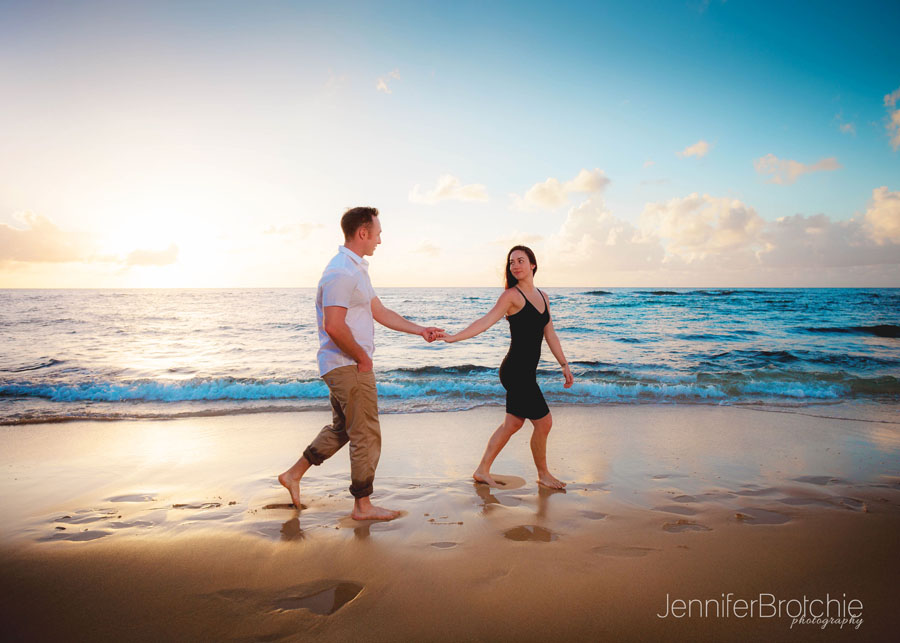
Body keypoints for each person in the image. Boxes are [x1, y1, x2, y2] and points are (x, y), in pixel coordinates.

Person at [278, 206, 444, 521]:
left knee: (344, 429)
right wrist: (362, 358)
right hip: (348, 365)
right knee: (365, 433)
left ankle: (293, 474)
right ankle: (362, 506)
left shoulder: (356, 270)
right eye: (378, 233)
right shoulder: (342, 271)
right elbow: (334, 325)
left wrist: (420, 330)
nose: (380, 240)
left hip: (340, 364)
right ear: (363, 233)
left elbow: (379, 312)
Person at [441, 246, 573, 489]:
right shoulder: (511, 296)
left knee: (513, 423)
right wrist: (454, 337)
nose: (515, 265)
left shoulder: (543, 297)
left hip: (525, 372)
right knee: (544, 423)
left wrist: (564, 364)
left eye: (520, 260)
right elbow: (485, 321)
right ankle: (543, 474)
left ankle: (482, 470)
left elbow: (550, 333)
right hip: (515, 372)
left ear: (533, 264)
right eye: (511, 262)